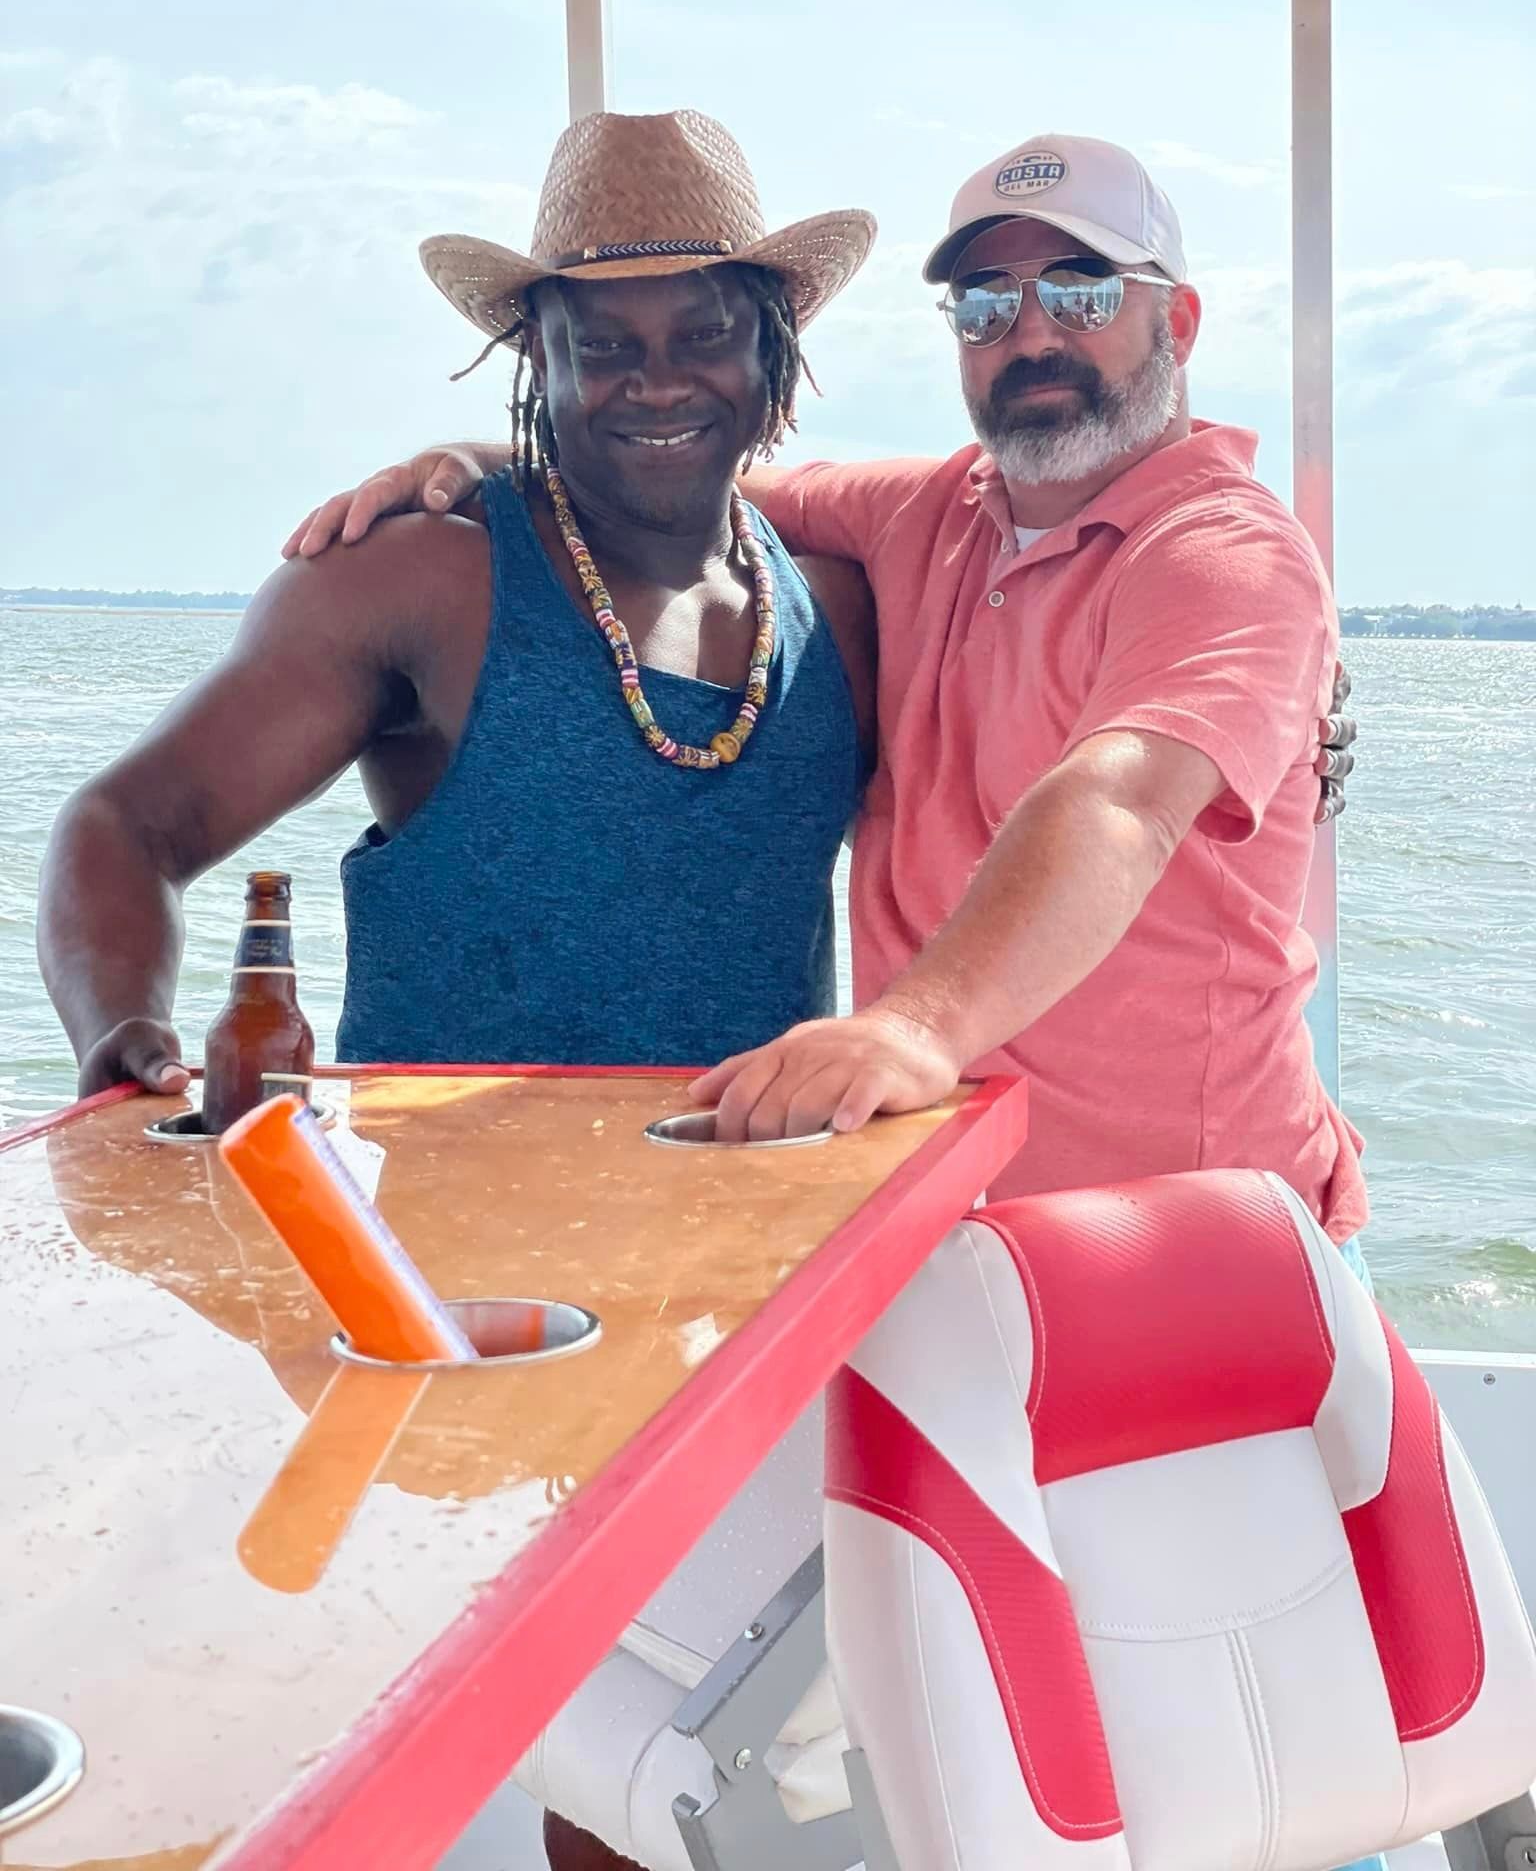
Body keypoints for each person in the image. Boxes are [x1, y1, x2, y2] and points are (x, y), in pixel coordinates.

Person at [290, 132, 1366, 1246]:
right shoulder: (930, 510)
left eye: (1082, 291)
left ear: (1176, 323)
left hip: (1192, 1229)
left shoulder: (1227, 554)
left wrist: (913, 1028)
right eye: (987, 304)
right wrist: (495, 455)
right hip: (946, 1213)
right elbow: (687, 463)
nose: (1033, 333)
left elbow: (1120, 799)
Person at [37, 106, 878, 1113]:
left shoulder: (835, 605)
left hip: (760, 1227)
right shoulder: (418, 580)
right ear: (538, 359)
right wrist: (124, 1031)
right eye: (604, 346)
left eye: (704, 336)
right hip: (433, 1250)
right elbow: (124, 823)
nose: (658, 384)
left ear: (772, 349)